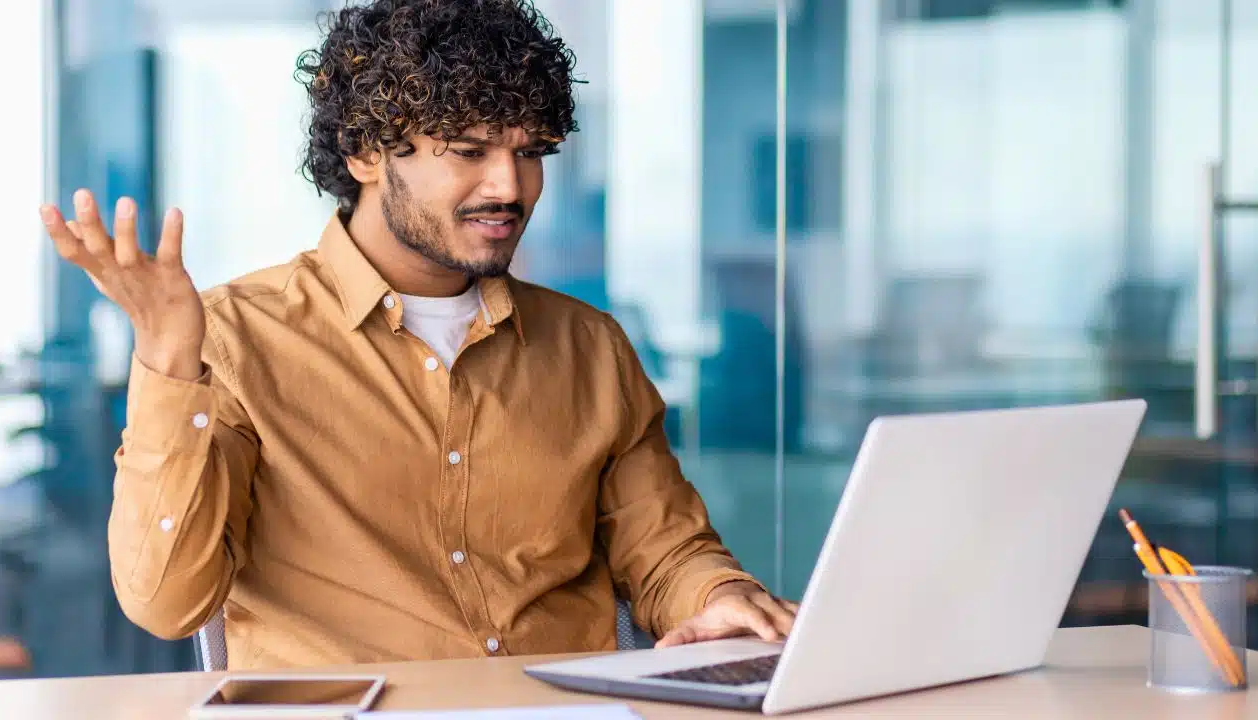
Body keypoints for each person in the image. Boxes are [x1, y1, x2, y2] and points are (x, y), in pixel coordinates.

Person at [39, 0, 795, 670]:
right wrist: (170, 355)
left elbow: (664, 550)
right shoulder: (236, 339)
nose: (509, 186)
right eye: (469, 151)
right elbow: (166, 603)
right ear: (366, 153)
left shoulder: (588, 347)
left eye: (531, 152)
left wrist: (720, 594)